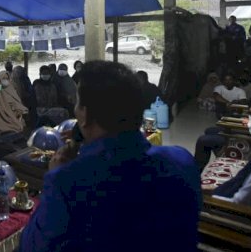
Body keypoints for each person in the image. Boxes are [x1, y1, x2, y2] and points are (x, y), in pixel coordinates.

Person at [20, 61, 201, 251]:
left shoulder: (67, 183)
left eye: (78, 102)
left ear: (85, 116)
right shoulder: (182, 161)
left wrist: (57, 175)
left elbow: (32, 246)